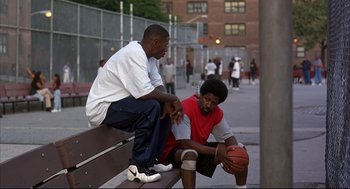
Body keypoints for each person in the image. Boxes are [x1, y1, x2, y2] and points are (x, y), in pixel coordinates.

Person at [86, 24, 184, 183]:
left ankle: (153, 160)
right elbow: (145, 93)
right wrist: (173, 99)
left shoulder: (148, 56)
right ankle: (137, 167)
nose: (166, 50)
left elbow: (157, 83)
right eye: (165, 45)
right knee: (151, 106)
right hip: (102, 108)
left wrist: (167, 100)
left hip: (119, 105)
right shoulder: (134, 54)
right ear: (155, 42)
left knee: (161, 106)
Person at [160, 79, 248, 188]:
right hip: (171, 152)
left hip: (197, 149)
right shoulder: (186, 107)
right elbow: (184, 143)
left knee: (240, 149)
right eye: (207, 99)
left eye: (213, 103)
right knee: (190, 154)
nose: (208, 105)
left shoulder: (216, 113)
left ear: (218, 104)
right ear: (200, 95)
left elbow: (229, 138)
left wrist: (233, 157)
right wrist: (217, 151)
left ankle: (241, 187)